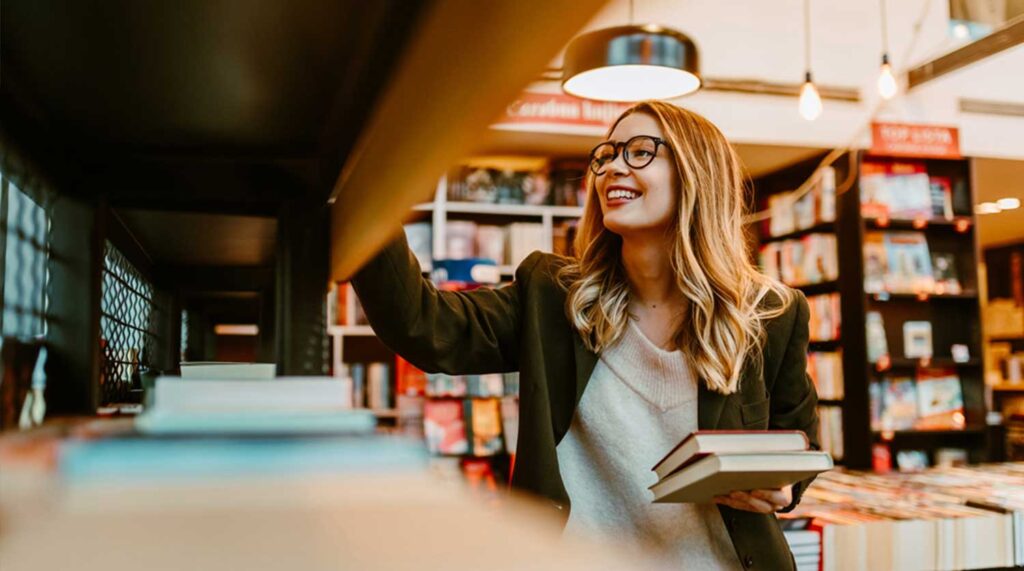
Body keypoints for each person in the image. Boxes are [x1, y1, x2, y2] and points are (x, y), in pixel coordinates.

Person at [352, 100, 819, 570]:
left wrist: (782, 489)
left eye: (640, 151)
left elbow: (799, 444)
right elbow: (422, 326)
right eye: (606, 155)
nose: (612, 167)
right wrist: (367, 188)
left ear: (698, 174)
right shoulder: (553, 298)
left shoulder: (771, 315)